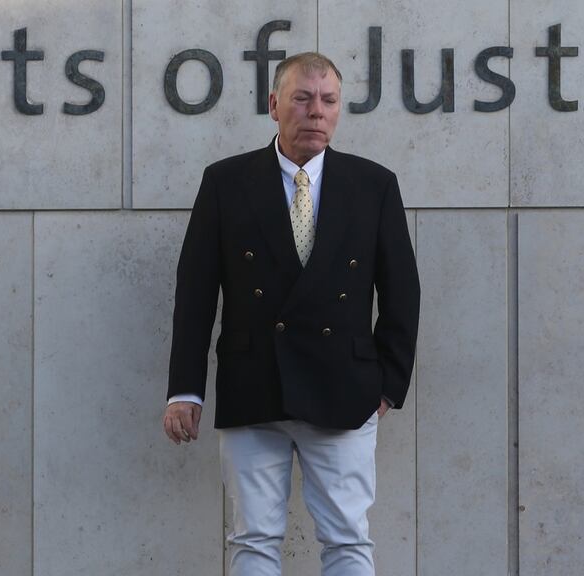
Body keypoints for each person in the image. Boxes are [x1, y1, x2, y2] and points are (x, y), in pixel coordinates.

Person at [163, 51, 420, 576]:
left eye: (327, 101)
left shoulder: (374, 185)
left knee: (348, 540)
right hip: (253, 385)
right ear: (274, 104)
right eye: (302, 98)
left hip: (345, 391)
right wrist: (185, 390)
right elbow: (195, 294)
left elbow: (402, 292)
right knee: (254, 540)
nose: (316, 112)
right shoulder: (226, 182)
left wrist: (388, 384)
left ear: (340, 109)